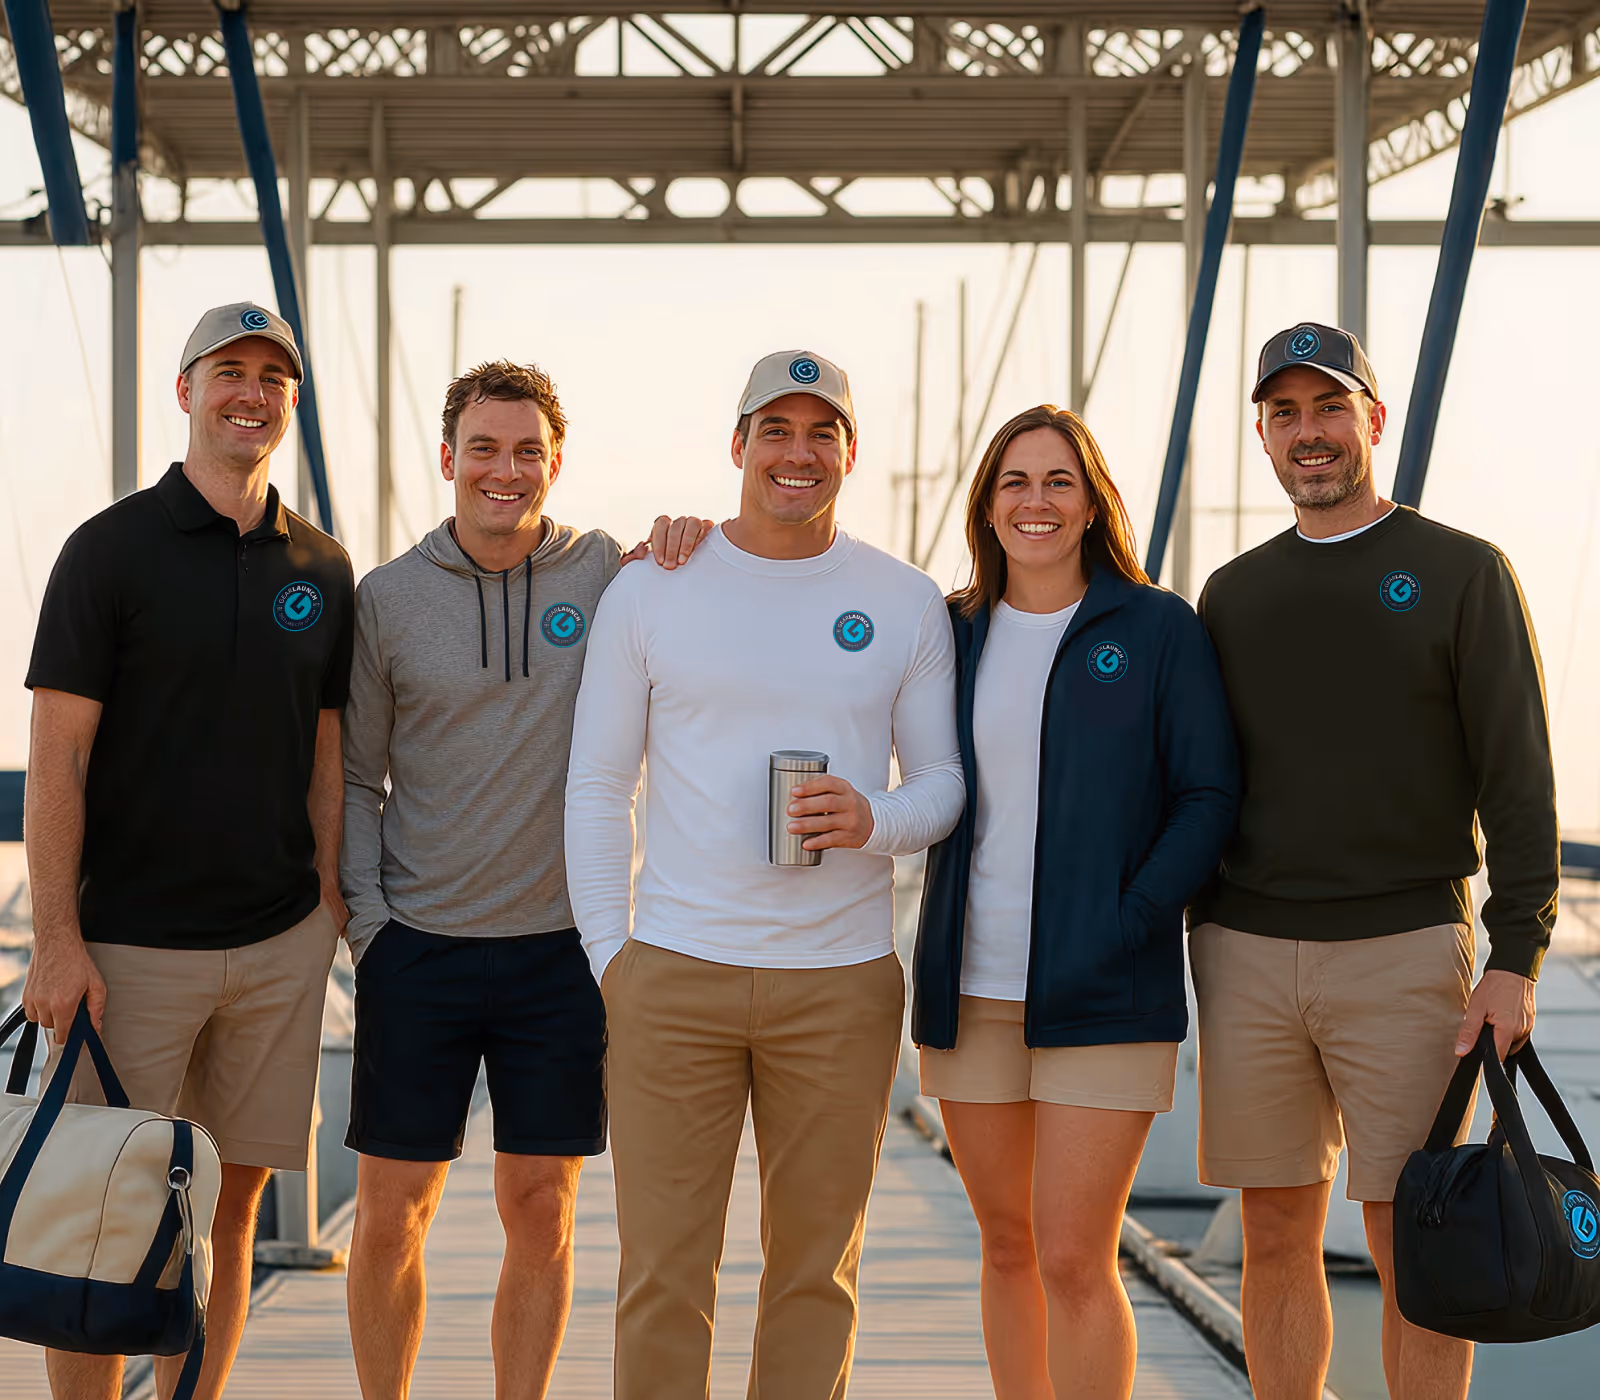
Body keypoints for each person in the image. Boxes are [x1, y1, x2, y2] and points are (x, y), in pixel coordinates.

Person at [564, 350, 964, 1400]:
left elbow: (941, 783)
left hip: (840, 982)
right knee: (660, 1272)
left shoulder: (904, 598)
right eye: (775, 431)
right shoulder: (651, 585)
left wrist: (874, 819)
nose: (797, 452)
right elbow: (598, 785)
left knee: (813, 1275)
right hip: (674, 973)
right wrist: (617, 959)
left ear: (848, 452)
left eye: (820, 431)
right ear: (737, 445)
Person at [1190, 323, 1559, 1400]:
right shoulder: (1230, 593)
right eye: (1285, 413)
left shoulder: (1460, 571)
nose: (1309, 433)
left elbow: (1520, 782)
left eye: (1329, 408)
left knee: (1418, 1238)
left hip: (1404, 952)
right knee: (1270, 1233)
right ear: (1262, 434)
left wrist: (1517, 953)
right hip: (1245, 955)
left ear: (1372, 419)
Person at [339, 359, 712, 1400]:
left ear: (555, 462)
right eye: (485, 449)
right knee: (391, 1210)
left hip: (561, 951)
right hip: (420, 945)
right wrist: (372, 930)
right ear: (449, 456)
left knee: (542, 1208)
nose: (505, 471)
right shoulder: (388, 598)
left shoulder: (604, 574)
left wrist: (685, 534)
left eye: (527, 452)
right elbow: (357, 776)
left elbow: (696, 588)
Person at [21, 302, 353, 1400]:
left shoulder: (323, 563)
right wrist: (57, 940)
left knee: (230, 1210)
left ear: (290, 403)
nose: (250, 392)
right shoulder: (107, 549)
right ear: (188, 391)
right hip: (128, 953)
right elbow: (58, 754)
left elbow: (323, 744)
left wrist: (330, 905)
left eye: (272, 377)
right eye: (229, 371)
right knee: (107, 1220)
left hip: (276, 946)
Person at [911, 405, 1239, 1400]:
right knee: (1006, 1244)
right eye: (1015, 480)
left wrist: (1129, 917)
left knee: (1070, 1253)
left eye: (1058, 480)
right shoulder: (952, 628)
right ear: (987, 502)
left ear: (1093, 500)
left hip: (1106, 988)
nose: (1036, 501)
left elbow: (1207, 795)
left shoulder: (1156, 626)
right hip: (969, 987)